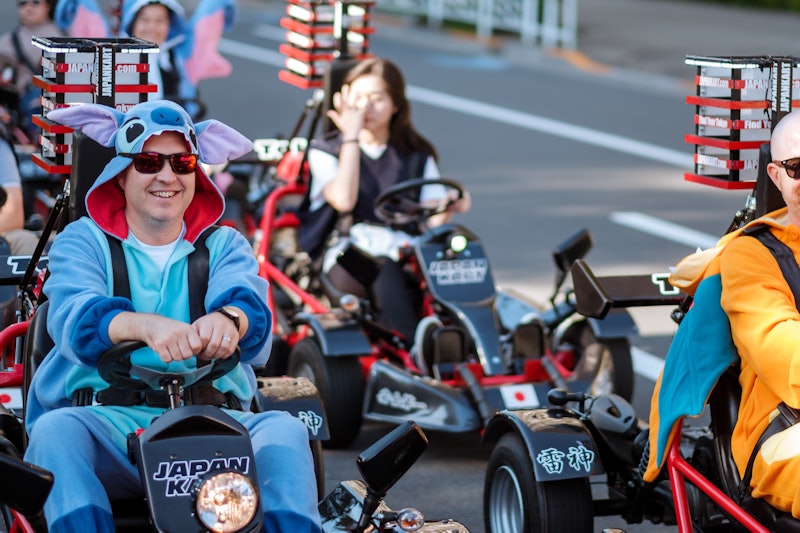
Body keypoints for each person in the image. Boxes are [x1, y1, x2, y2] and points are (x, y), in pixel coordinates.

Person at [22, 100, 322, 531]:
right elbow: (75, 317)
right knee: (55, 433)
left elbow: (249, 308)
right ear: (121, 173)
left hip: (212, 424)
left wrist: (228, 321)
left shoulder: (224, 244)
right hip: (109, 424)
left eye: (182, 163)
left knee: (286, 430)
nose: (167, 176)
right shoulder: (82, 241)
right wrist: (145, 326)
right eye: (148, 162)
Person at [305, 57, 470, 348]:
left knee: (461, 259)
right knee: (385, 268)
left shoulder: (416, 154)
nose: (366, 107)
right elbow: (344, 200)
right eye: (358, 98)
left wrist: (450, 204)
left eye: (377, 98)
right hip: (348, 253)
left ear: (396, 105)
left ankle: (479, 344)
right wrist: (351, 137)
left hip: (407, 250)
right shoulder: (325, 150)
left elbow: (431, 220)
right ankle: (412, 347)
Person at [714, 109, 800, 518]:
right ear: (776, 175)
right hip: (783, 427)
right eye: (799, 168)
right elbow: (784, 353)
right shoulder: (751, 255)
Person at [55, 0, 235, 120]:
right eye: (145, 20)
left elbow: (205, 20)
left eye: (159, 21)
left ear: (170, 24)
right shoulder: (110, 55)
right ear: (131, 21)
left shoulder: (180, 59)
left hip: (175, 142)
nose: (152, 27)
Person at [0, 0, 64, 142]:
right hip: (30, 102)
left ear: (47, 7)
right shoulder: (11, 40)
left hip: (61, 98)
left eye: (35, 3)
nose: (28, 8)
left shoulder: (64, 35)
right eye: (23, 4)